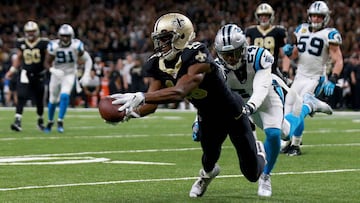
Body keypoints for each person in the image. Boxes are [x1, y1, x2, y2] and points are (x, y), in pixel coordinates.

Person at [108, 13, 266, 198]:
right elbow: (150, 105)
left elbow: (180, 91)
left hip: (233, 113)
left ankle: (260, 151)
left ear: (182, 36)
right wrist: (127, 113)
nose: (161, 45)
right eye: (159, 40)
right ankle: (206, 175)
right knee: (209, 159)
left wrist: (142, 96)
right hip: (208, 116)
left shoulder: (197, 54)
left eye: (166, 39)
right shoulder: (157, 64)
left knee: (252, 173)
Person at [194, 24, 332, 197]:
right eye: (226, 54)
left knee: (278, 134)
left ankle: (266, 175)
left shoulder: (258, 57)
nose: (230, 58)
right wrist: (197, 119)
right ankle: (307, 105)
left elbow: (261, 87)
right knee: (283, 133)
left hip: (267, 97)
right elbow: (210, 98)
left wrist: (249, 108)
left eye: (234, 53)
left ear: (243, 48)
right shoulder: (217, 68)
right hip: (241, 104)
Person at [282, 1, 344, 155]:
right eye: (313, 15)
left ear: (325, 17)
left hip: (315, 77)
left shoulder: (329, 34)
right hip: (299, 76)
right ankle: (289, 140)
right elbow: (296, 54)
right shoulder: (301, 29)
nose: (316, 19)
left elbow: (338, 60)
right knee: (286, 109)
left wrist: (334, 78)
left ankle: (295, 145)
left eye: (319, 16)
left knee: (299, 108)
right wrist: (290, 52)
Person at [43, 24, 93, 133]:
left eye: (67, 36)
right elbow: (46, 62)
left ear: (72, 36)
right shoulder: (54, 46)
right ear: (59, 36)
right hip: (56, 74)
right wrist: (53, 70)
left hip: (69, 74)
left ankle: (60, 121)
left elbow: (88, 59)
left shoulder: (76, 45)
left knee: (65, 95)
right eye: (63, 36)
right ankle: (50, 121)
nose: (65, 38)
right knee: (52, 99)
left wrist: (86, 74)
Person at [5, 21, 49, 132]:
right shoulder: (21, 43)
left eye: (32, 31)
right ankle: (17, 121)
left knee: (39, 100)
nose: (30, 34)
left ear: (37, 32)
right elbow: (19, 57)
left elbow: (48, 58)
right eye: (28, 32)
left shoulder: (43, 43)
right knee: (21, 96)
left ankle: (40, 120)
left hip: (39, 74)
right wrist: (12, 70)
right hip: (25, 73)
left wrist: (51, 68)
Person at [245, 3, 292, 84]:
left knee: (286, 90)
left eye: (266, 15)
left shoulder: (278, 31)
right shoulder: (251, 31)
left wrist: (285, 72)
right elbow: (245, 54)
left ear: (271, 16)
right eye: (261, 15)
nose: (263, 18)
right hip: (254, 72)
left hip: (272, 71)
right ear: (257, 16)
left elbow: (284, 55)